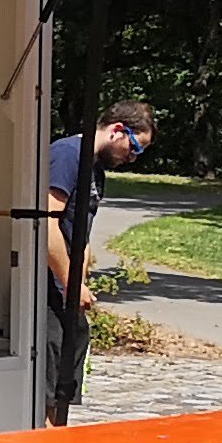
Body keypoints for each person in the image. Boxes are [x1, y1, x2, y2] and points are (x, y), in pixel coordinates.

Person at [44, 100, 153, 418]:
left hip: (65, 289)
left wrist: (80, 280)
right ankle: (45, 441)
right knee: (46, 384)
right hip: (45, 287)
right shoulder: (67, 155)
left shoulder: (95, 170)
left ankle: (59, 438)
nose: (132, 158)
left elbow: (82, 234)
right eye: (134, 148)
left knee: (67, 375)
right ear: (118, 130)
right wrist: (71, 283)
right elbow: (47, 223)